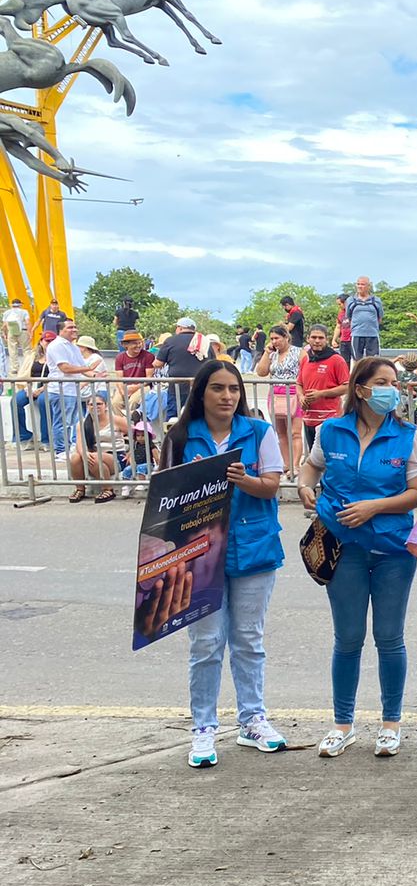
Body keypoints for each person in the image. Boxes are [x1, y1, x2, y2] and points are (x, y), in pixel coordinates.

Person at [299, 356, 417, 759]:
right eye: (383, 382)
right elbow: (310, 468)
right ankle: (342, 724)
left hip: (393, 549)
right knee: (348, 638)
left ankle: (391, 724)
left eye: (394, 382)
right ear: (360, 389)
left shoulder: (409, 435)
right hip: (344, 547)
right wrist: (305, 486)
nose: (392, 388)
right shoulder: (331, 431)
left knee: (389, 638)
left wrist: (374, 507)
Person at [162, 359, 288, 768]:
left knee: (249, 639)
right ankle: (203, 726)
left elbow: (271, 487)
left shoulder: (260, 432)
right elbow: (164, 500)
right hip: (199, 554)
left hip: (253, 549)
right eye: (218, 389)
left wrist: (242, 480)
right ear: (202, 393)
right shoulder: (180, 437)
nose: (227, 397)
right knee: (205, 643)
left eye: (234, 389)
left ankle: (253, 719)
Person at [296, 324, 349, 462]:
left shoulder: (337, 360)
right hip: (309, 418)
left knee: (330, 458)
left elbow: (347, 387)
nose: (317, 341)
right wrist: (301, 396)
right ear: (308, 339)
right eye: (314, 337)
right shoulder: (305, 359)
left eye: (321, 338)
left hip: (329, 418)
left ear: (327, 339)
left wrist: (321, 394)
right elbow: (299, 383)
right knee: (314, 460)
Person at [254, 325, 302, 478]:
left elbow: (305, 370)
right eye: (272, 338)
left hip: (294, 394)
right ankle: (286, 463)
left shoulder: (299, 352)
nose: (274, 341)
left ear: (286, 337)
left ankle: (295, 464)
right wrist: (267, 353)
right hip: (275, 395)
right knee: (281, 432)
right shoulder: (272, 354)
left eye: (277, 338)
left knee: (295, 432)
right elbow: (261, 372)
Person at [44, 318, 94, 457]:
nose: (74, 330)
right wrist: (89, 369)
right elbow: (65, 368)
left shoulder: (72, 346)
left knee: (74, 422)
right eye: (70, 327)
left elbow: (81, 367)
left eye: (75, 327)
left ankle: (71, 447)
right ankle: (60, 450)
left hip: (73, 390)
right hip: (61, 390)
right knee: (62, 422)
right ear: (61, 330)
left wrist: (95, 374)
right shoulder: (56, 345)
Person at [67, 390, 128, 503]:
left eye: (99, 404)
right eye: (91, 404)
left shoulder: (115, 420)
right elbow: (80, 445)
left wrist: (132, 453)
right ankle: (80, 489)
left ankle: (108, 489)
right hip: (93, 456)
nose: (95, 407)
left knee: (94, 457)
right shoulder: (82, 424)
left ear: (105, 406)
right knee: (75, 457)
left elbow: (138, 433)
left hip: (115, 456)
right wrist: (84, 453)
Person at [153, 316, 205, 415]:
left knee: (173, 416)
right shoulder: (204, 341)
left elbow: (158, 364)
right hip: (199, 386)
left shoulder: (171, 340)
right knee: (198, 416)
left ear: (180, 328)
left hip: (177, 387)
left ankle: (172, 430)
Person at [346, 277, 383, 361]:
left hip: (372, 334)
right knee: (357, 359)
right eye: (358, 284)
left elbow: (380, 317)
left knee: (374, 360)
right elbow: (349, 316)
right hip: (357, 334)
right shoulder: (351, 300)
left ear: (368, 286)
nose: (360, 286)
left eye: (362, 284)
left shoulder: (376, 301)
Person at [2, 297, 28, 377]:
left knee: (12, 350)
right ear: (20, 305)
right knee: (26, 350)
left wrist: (5, 334)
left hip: (11, 332)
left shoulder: (7, 313)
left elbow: (4, 325)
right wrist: (30, 332)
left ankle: (14, 368)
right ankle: (26, 367)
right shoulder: (24, 312)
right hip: (22, 331)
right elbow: (28, 322)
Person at [334, 293, 352, 362]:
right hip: (344, 340)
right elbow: (338, 327)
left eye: (340, 304)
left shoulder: (354, 312)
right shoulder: (340, 314)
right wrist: (334, 339)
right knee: (344, 361)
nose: (339, 306)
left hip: (353, 339)